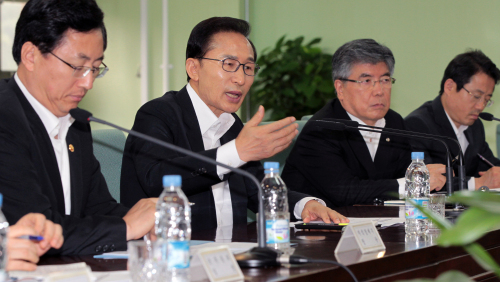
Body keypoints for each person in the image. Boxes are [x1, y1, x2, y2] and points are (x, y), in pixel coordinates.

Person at [121, 17, 348, 232]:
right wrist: (236, 152)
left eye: (248, 68)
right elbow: (157, 180)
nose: (240, 79)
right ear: (194, 69)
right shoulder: (158, 114)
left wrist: (304, 205)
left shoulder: (231, 123)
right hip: (175, 255)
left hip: (232, 254)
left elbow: (255, 188)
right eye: (229, 64)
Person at [0, 0, 156, 255]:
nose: (88, 83)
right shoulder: (5, 120)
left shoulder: (75, 124)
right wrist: (126, 227)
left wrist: (147, 222)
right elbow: (36, 233)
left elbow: (99, 208)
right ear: (31, 56)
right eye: (78, 67)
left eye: (95, 69)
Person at [282, 39, 447, 208]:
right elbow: (345, 192)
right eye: (366, 81)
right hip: (313, 229)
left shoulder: (393, 122)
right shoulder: (321, 129)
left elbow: (403, 173)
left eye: (385, 80)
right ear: (340, 88)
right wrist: (413, 183)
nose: (379, 91)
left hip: (376, 225)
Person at [405, 50, 500, 190]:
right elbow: (426, 182)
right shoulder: (417, 125)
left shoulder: (475, 126)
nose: (481, 106)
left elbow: (489, 166)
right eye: (476, 96)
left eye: (487, 99)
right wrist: (477, 183)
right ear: (450, 86)